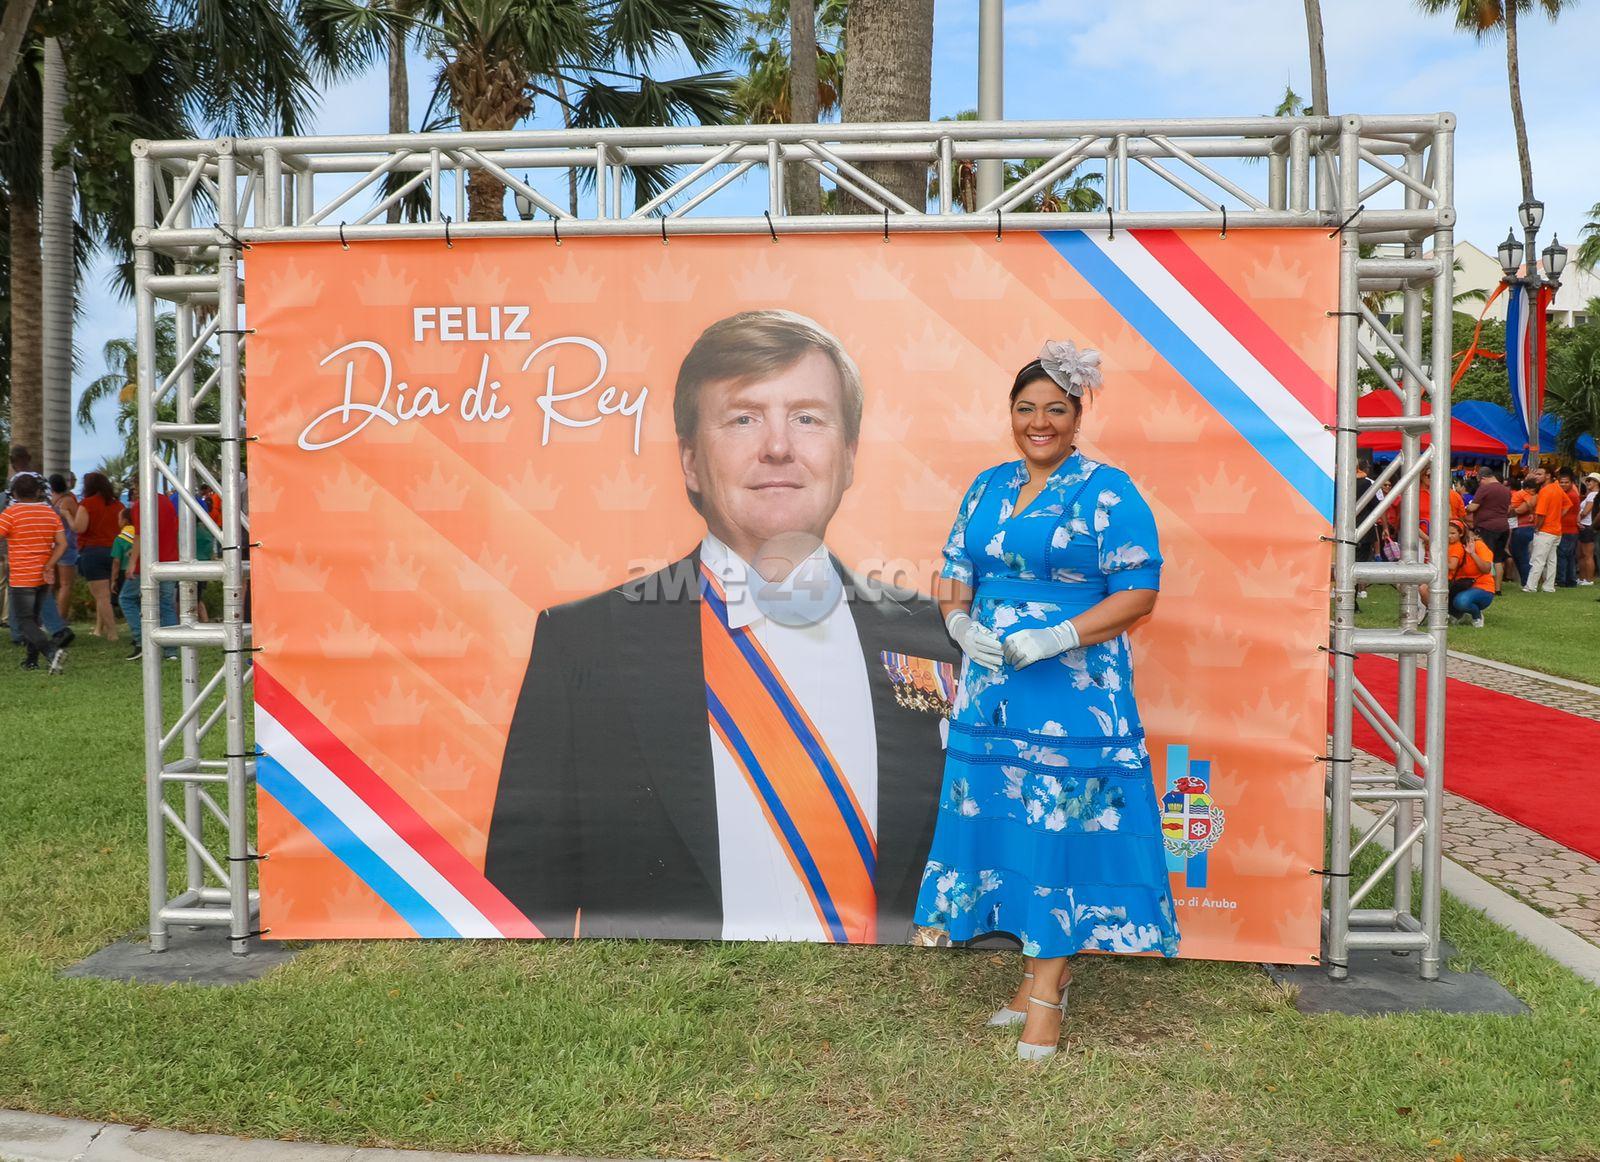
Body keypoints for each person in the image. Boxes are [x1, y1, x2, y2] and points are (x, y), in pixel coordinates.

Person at [486, 310, 957, 945]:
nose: (779, 446)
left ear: (848, 458)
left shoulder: (939, 638)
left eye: (808, 418)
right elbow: (517, 918)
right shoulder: (584, 646)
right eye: (743, 418)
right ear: (689, 461)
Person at [912, 340, 1179, 1061]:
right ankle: (1035, 976)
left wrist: (1060, 633)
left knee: (1059, 830)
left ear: (1077, 416)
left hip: (1075, 695)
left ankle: (1046, 997)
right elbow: (955, 569)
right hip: (992, 692)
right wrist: (959, 623)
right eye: (1026, 408)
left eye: (1055, 410)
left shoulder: (1108, 490)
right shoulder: (986, 486)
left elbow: (1140, 592)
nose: (1040, 422)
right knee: (1012, 827)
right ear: (1010, 414)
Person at [0, 473, 69, 672]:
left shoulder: (10, 514)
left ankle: (51, 652)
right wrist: (49, 564)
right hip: (44, 576)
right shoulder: (50, 513)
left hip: (22, 576)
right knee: (34, 619)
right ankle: (31, 660)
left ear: (14, 493)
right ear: (39, 491)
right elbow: (62, 544)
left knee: (25, 622)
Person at [127, 486, 181, 661]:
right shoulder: (166, 502)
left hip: (147, 562)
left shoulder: (140, 505)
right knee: (166, 604)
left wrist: (132, 561)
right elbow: (174, 528)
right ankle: (171, 650)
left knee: (127, 598)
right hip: (169, 559)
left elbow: (139, 535)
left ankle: (142, 640)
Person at [76, 472, 126, 639]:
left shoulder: (87, 504)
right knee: (105, 595)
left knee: (101, 596)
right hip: (115, 551)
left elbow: (80, 528)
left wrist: (68, 516)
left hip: (93, 551)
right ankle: (99, 628)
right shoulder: (118, 505)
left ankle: (112, 633)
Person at [1524, 466, 1571, 594]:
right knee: (1551, 560)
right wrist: (1557, 517)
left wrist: (1537, 527)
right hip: (1556, 530)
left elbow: (1541, 514)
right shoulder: (1557, 487)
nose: (1536, 476)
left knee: (1538, 560)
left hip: (1545, 530)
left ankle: (1531, 586)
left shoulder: (1545, 491)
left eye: (1539, 474)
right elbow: (1568, 504)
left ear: (1548, 476)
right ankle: (1549, 586)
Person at [1465, 465, 1511, 594]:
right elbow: (1508, 509)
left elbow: (1473, 507)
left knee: (1486, 557)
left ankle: (1486, 585)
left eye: (1479, 481)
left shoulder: (1485, 488)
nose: (1479, 483)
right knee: (1498, 559)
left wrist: (1466, 508)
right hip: (1504, 526)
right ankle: (1498, 589)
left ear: (1483, 478)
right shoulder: (1505, 490)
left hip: (1487, 527)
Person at [48, 473, 87, 621]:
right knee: (66, 585)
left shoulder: (50, 502)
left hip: (52, 546)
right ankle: (60, 620)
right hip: (67, 545)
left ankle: (48, 618)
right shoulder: (68, 501)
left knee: (52, 584)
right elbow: (79, 522)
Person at [1442, 520, 1495, 627]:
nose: (1449, 536)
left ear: (1461, 533)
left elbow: (1486, 569)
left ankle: (1477, 616)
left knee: (1461, 601)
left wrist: (1472, 554)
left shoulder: (1478, 545)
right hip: (1458, 586)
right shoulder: (1450, 546)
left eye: (1453, 533)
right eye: (1447, 533)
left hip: (1482, 586)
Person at [1507, 469, 1539, 589]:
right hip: (1521, 526)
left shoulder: (1526, 494)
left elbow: (1524, 507)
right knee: (1522, 555)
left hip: (1522, 527)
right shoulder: (1525, 494)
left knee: (1522, 556)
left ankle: (1527, 582)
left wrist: (1514, 510)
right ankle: (1526, 581)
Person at [1556, 468, 1582, 588]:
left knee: (1562, 555)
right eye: (1561, 482)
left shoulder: (1570, 495)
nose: (1563, 484)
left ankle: (1562, 580)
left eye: (1566, 482)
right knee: (1569, 556)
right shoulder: (1571, 494)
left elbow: (1561, 512)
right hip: (1570, 529)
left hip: (1567, 529)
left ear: (1572, 483)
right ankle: (1570, 581)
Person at [1578, 473, 1598, 586]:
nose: (1587, 483)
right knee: (1582, 554)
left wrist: (1577, 520)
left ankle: (1589, 579)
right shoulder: (1591, 494)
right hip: (1585, 525)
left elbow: (1585, 512)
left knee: (1587, 555)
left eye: (1590, 480)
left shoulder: (1593, 495)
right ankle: (1583, 578)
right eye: (1587, 480)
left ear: (1596, 482)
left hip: (1586, 525)